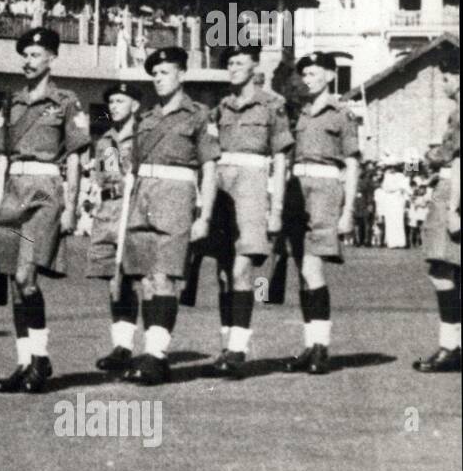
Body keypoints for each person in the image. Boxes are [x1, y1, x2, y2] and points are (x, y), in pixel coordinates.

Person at [0, 28, 89, 393]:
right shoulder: (11, 102)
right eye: (25, 54)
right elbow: (0, 157)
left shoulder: (66, 101)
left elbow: (75, 157)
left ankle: (41, 358)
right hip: (13, 193)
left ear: (51, 58)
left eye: (35, 54)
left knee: (25, 278)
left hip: (45, 193)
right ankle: (24, 361)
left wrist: (72, 207)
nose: (28, 61)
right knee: (15, 283)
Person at [117, 47, 220, 385]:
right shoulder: (145, 118)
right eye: (155, 74)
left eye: (165, 72)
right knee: (143, 279)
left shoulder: (199, 115)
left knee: (165, 278)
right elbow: (132, 166)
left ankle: (158, 354)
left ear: (181, 74)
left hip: (177, 198)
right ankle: (150, 353)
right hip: (143, 197)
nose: (159, 79)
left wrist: (204, 214)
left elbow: (209, 166)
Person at [202, 45, 293, 379]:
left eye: (240, 62)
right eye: (229, 63)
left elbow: (281, 159)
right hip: (222, 187)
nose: (233, 68)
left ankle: (239, 349)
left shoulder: (273, 105)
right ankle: (226, 346)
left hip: (254, 186)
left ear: (255, 66)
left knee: (243, 269)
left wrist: (277, 208)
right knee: (224, 272)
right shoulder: (220, 109)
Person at [280, 52, 360, 375]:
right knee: (301, 271)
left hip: (326, 191)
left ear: (329, 75)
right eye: (304, 74)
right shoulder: (298, 113)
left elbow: (353, 163)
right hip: (297, 190)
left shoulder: (341, 114)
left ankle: (321, 347)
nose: (306, 79)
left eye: (313, 73)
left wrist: (348, 211)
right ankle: (310, 344)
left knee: (313, 269)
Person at [88, 82, 142, 374]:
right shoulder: (105, 141)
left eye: (121, 100)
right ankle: (120, 346)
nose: (114, 106)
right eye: (112, 101)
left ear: (135, 105)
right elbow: (102, 177)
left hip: (133, 209)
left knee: (132, 279)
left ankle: (135, 347)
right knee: (113, 281)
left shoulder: (143, 136)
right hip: (109, 211)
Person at [412, 50, 460, 372]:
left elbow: (457, 158)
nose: (444, 84)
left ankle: (450, 346)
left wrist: (455, 207)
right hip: (451, 186)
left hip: (453, 192)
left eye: (446, 77)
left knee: (441, 271)